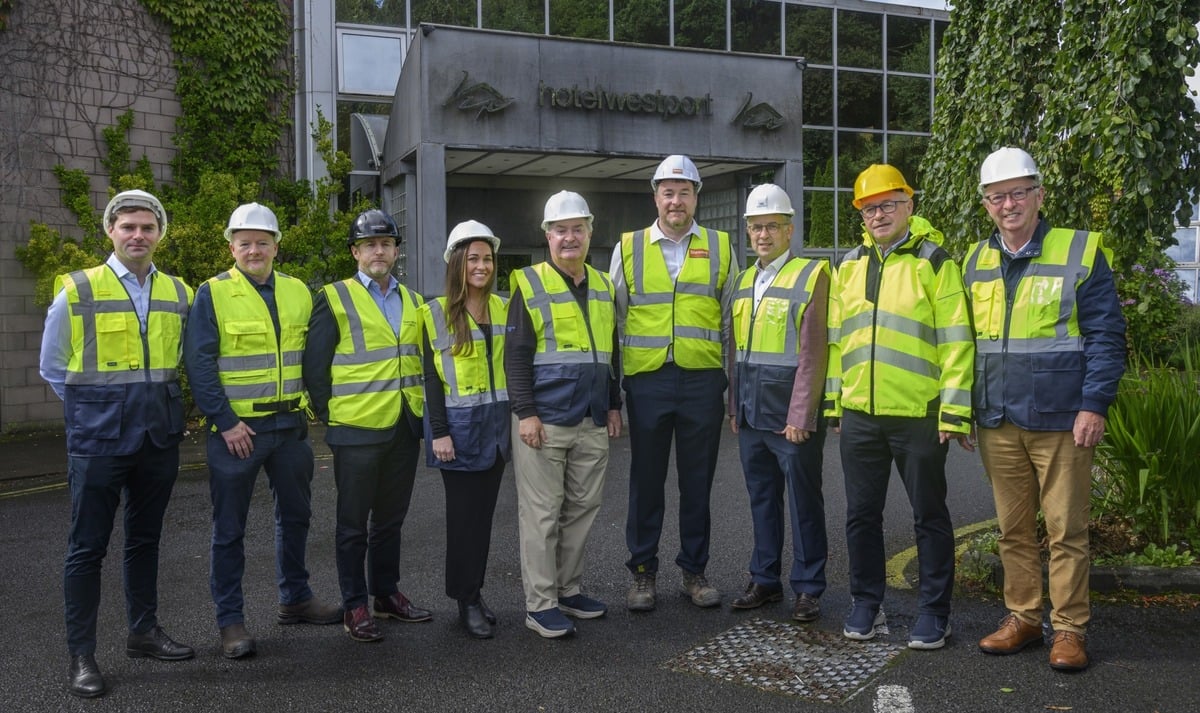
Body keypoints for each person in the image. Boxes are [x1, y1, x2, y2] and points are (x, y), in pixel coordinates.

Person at [966, 147, 1126, 672]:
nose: (1007, 204)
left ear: (1038, 194)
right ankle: (1024, 618)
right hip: (997, 417)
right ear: (986, 204)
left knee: (1066, 530)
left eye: (1017, 193)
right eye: (996, 196)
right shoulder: (974, 260)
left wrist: (1094, 404)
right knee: (1012, 530)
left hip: (1062, 417)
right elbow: (961, 339)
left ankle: (1071, 629)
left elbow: (1106, 334)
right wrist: (961, 407)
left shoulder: (1079, 250)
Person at [39, 189, 195, 698]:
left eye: (147, 228)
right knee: (86, 549)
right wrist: (94, 407)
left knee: (145, 541)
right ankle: (82, 655)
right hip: (98, 439)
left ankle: (143, 633)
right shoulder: (79, 290)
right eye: (128, 226)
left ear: (159, 235)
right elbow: (52, 366)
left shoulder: (179, 292)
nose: (137, 235)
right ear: (110, 231)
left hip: (158, 436)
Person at [826, 164, 974, 649]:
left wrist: (952, 411)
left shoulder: (935, 262)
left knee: (928, 515)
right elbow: (834, 342)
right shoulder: (847, 265)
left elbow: (956, 340)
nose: (879, 213)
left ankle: (935, 612)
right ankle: (865, 602)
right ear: (861, 216)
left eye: (888, 203)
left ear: (909, 206)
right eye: (869, 207)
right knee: (861, 515)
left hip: (920, 415)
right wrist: (835, 405)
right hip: (861, 416)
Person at [184, 202, 340, 660]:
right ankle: (230, 621)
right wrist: (226, 421)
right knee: (229, 529)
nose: (254, 250)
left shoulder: (298, 291)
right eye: (245, 242)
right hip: (238, 431)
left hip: (290, 425)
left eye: (262, 242)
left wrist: (323, 412)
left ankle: (296, 598)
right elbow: (200, 362)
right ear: (231, 246)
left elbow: (313, 358)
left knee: (296, 517)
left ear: (276, 246)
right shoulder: (212, 293)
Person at [611, 155, 740, 611]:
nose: (676, 200)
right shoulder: (628, 247)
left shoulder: (723, 246)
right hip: (647, 382)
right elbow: (616, 319)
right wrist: (618, 387)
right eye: (668, 192)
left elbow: (730, 324)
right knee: (645, 480)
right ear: (656, 197)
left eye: (684, 192)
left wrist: (731, 391)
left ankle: (694, 571)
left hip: (703, 380)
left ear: (696, 197)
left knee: (697, 481)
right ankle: (642, 573)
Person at [302, 209, 433, 643]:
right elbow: (315, 369)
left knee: (391, 522)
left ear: (396, 250)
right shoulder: (334, 297)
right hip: (355, 430)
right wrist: (334, 416)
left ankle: (386, 593)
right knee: (353, 524)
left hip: (403, 426)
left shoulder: (415, 301)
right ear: (356, 252)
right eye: (370, 244)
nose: (379, 251)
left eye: (386, 243)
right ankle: (355, 603)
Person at [506, 191, 622, 638]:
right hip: (545, 419)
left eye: (577, 229)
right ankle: (540, 604)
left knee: (583, 508)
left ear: (590, 233)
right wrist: (525, 412)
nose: (569, 238)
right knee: (542, 513)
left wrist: (613, 403)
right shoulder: (529, 283)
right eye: (560, 230)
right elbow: (515, 355)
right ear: (547, 236)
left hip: (591, 417)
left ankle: (568, 591)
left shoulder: (603, 284)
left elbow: (609, 351)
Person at [726, 184, 830, 622]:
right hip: (751, 413)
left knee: (803, 502)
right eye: (755, 227)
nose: (763, 235)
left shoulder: (812, 275)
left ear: (790, 230)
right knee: (762, 500)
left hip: (791, 419)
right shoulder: (745, 279)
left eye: (771, 226)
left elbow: (815, 352)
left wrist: (802, 414)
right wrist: (734, 407)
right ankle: (764, 579)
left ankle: (808, 588)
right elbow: (733, 349)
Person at [418, 220, 509, 640]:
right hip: (456, 433)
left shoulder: (506, 308)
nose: (482, 266)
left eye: (487, 258)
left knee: (484, 521)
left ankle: (475, 591)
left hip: (495, 434)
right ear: (456, 262)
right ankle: (464, 601)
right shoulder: (433, 313)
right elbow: (431, 380)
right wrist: (439, 432)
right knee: (463, 522)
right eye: (473, 258)